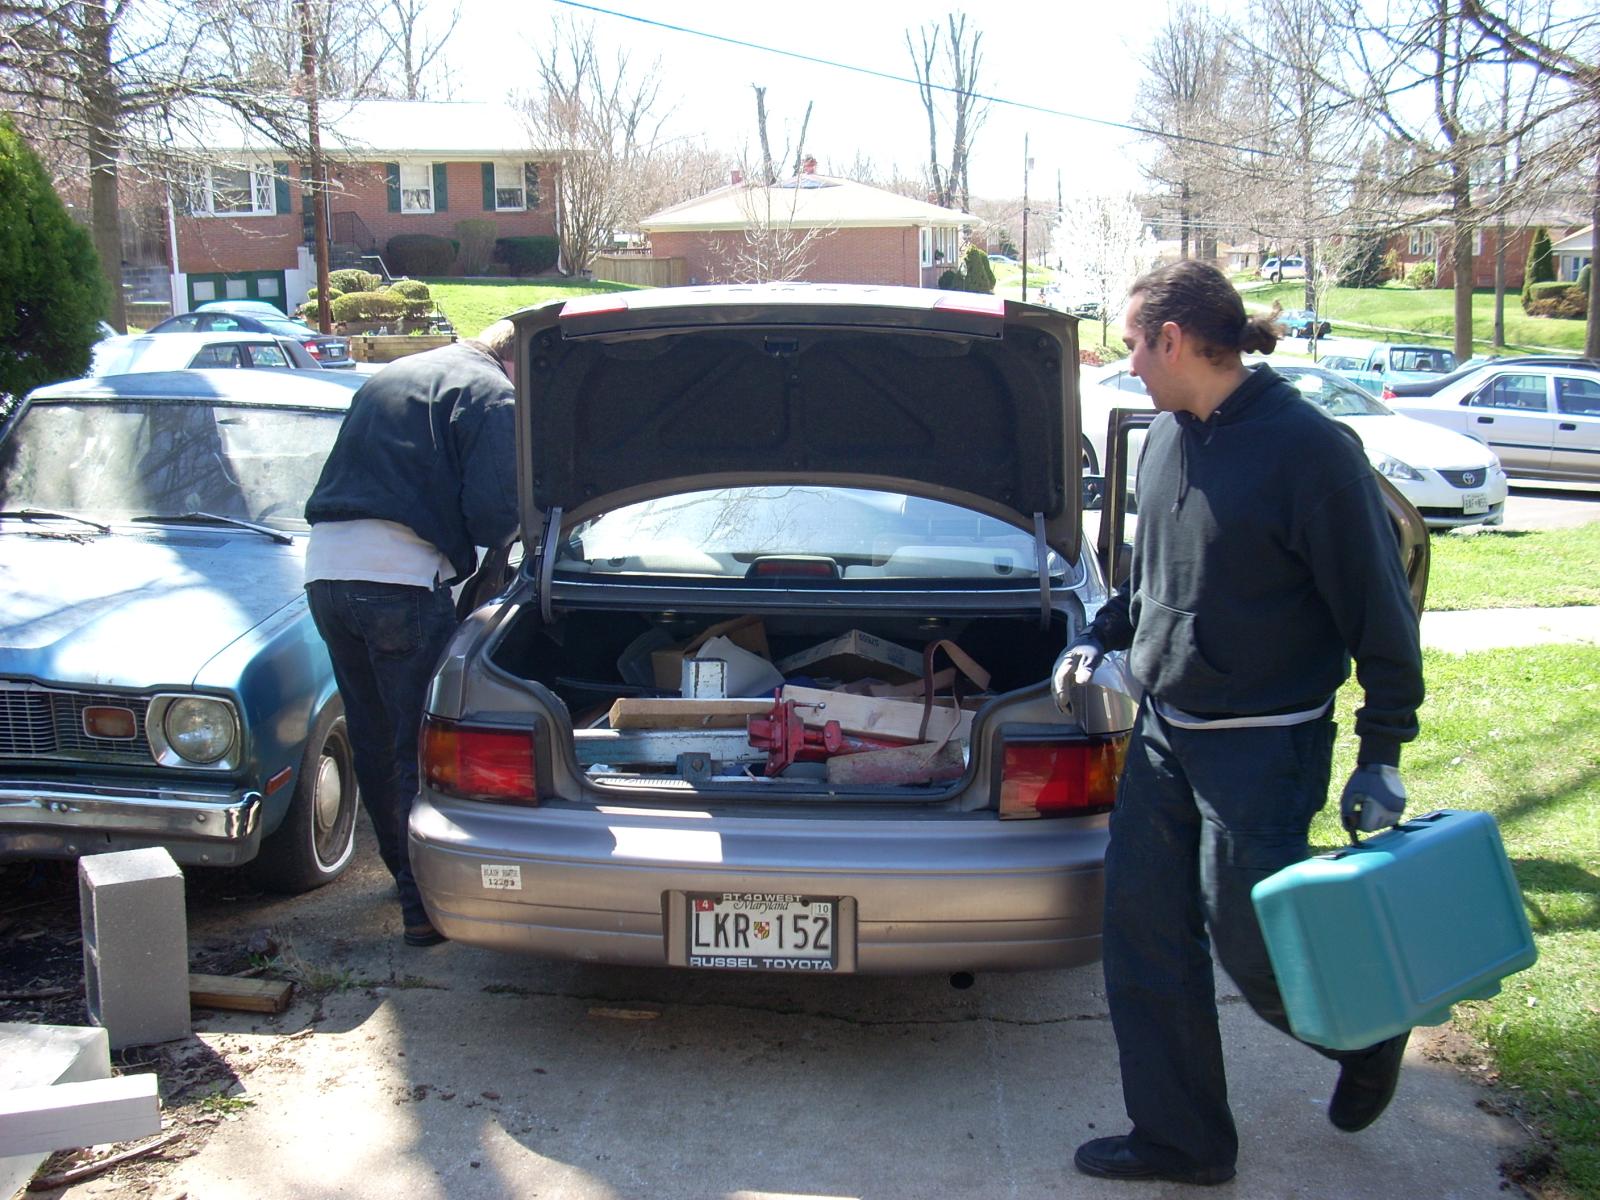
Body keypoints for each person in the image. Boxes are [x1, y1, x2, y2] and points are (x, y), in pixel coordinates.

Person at [1054, 261, 1423, 1186]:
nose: (1129, 363)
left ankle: (1364, 1036)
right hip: (1167, 733)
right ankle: (1181, 1140)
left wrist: (1382, 751)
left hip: (1265, 744)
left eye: (1133, 344)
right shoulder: (1165, 439)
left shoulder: (1310, 452)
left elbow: (1381, 615)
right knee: (1143, 935)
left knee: (1255, 946)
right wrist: (1102, 634)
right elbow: (1153, 577)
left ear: (1173, 340)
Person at [303, 320, 520, 947]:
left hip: (325, 575)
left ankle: (401, 874)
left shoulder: (392, 377)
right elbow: (495, 515)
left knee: (372, 737)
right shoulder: (493, 393)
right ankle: (421, 907)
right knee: (416, 747)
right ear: (516, 362)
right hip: (399, 581)